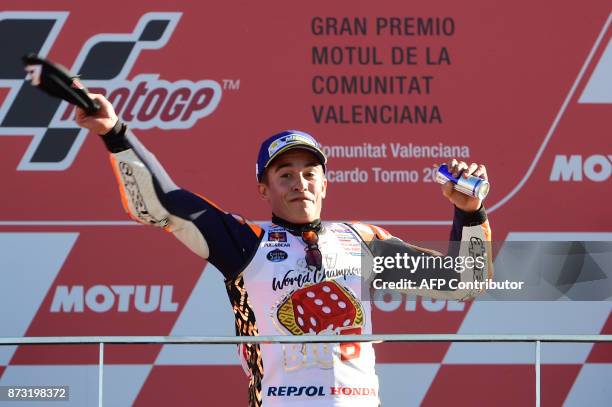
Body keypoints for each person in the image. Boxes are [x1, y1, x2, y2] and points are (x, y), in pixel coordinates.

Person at [76, 94, 492, 407]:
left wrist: (470, 213)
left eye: (311, 173)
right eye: (285, 174)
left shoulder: (360, 240)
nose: (300, 183)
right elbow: (161, 202)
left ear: (325, 184)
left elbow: (462, 282)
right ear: (264, 188)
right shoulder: (244, 241)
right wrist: (115, 132)